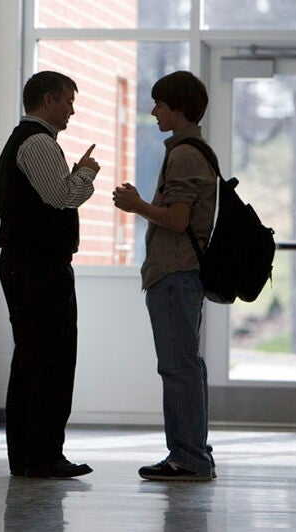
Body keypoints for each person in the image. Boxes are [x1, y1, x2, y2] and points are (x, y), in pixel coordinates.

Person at [112, 70, 217, 481]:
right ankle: (193, 451)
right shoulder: (193, 150)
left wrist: (137, 204)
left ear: (179, 108)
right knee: (187, 366)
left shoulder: (185, 154)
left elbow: (177, 219)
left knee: (178, 368)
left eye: (160, 104)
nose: (153, 110)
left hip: (175, 273)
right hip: (181, 275)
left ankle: (188, 456)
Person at [0, 70, 100, 478]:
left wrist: (72, 174)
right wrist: (86, 172)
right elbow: (61, 196)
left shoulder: (32, 142)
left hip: (29, 263)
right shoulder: (37, 142)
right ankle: (41, 455)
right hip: (37, 266)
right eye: (68, 101)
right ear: (47, 100)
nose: (72, 110)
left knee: (33, 358)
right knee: (50, 359)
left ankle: (30, 454)